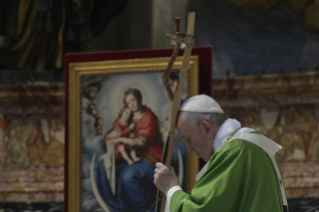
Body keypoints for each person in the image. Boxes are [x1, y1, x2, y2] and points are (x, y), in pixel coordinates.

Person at [154, 94, 289, 212]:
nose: (189, 148)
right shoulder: (248, 145)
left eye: (188, 139)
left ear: (207, 129)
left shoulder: (235, 151)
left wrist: (171, 188)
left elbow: (201, 209)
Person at [96, 88, 163, 212]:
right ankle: (116, 205)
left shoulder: (149, 117)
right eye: (128, 103)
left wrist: (120, 139)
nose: (131, 105)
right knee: (102, 167)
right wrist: (110, 136)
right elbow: (117, 129)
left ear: (139, 99)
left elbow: (142, 142)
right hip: (129, 153)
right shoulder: (128, 115)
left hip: (148, 155)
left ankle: (143, 208)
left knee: (129, 176)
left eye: (133, 100)